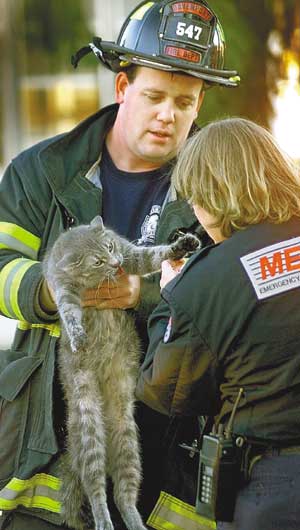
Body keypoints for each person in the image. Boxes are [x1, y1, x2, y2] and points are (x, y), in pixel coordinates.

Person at [0, 2, 239, 529]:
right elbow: (1, 269)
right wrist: (53, 289)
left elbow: (236, 301)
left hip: (165, 462)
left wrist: (145, 295)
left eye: (185, 102)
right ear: (122, 89)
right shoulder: (42, 171)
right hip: (44, 451)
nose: (167, 115)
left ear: (199, 106)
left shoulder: (218, 190)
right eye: (153, 96)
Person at [136, 117, 300, 530]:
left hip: (272, 488)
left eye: (195, 197)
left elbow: (167, 391)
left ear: (214, 193)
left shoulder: (206, 282)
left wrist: (168, 301)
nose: (194, 209)